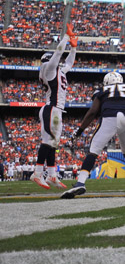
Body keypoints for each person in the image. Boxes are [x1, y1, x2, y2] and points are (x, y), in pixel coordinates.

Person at [61, 72, 125, 199]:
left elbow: (93, 112)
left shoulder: (102, 90)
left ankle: (80, 182)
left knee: (93, 150)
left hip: (111, 116)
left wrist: (79, 131)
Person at [31, 23, 77, 190]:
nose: (57, 62)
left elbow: (69, 63)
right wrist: (65, 37)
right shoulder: (48, 69)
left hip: (56, 109)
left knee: (53, 143)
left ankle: (51, 175)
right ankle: (37, 173)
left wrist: (73, 48)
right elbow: (58, 54)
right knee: (48, 141)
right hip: (51, 108)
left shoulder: (59, 71)